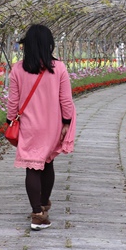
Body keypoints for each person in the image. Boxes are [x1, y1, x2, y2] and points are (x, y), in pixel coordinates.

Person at [7, 24, 77, 231]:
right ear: (49, 45)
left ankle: (37, 212)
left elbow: (13, 101)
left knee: (32, 167)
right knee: (47, 163)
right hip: (52, 125)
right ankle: (43, 204)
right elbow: (66, 101)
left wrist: (10, 121)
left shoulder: (18, 69)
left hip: (29, 125)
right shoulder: (59, 68)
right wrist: (66, 122)